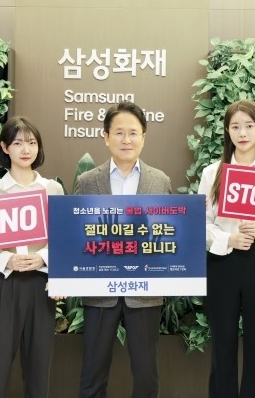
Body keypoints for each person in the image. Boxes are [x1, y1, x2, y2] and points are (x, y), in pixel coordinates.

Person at [75, 100, 172, 398]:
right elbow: (77, 234)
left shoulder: (160, 181)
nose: (126, 139)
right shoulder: (87, 181)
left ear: (144, 137)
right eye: (119, 132)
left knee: (146, 375)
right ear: (106, 137)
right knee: (92, 374)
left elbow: (169, 234)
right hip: (99, 291)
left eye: (133, 133)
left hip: (144, 292)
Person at [198, 100, 255, 398]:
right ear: (227, 131)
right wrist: (228, 239)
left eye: (249, 126)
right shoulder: (212, 173)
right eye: (235, 126)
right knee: (222, 346)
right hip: (221, 265)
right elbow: (200, 223)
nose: (242, 133)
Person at [0, 116, 64, 398]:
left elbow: (64, 239)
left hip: (41, 286)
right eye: (18, 143)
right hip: (4, 286)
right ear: (5, 147)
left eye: (32, 143)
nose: (26, 149)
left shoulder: (52, 189)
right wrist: (7, 260)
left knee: (38, 368)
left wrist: (44, 258)